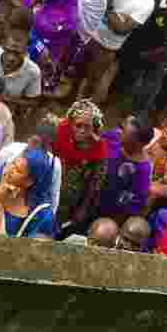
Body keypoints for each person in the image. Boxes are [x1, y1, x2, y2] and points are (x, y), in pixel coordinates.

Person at [81, 0, 156, 105]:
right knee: (77, 71)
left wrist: (108, 7)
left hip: (106, 47)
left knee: (92, 81)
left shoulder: (146, 3)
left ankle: (79, 109)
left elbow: (121, 29)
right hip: (89, 34)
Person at [0, 146, 58, 238]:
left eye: (18, 170)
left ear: (29, 182)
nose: (10, 170)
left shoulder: (40, 214)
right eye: (13, 163)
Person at [0, 115, 62, 217]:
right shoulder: (11, 150)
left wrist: (47, 218)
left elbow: (54, 195)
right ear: (30, 137)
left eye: (44, 146)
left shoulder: (54, 165)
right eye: (36, 142)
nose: (38, 148)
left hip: (30, 212)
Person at [53, 100, 109, 235]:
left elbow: (95, 183)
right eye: (78, 126)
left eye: (87, 127)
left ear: (94, 127)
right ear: (71, 123)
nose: (82, 131)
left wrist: (83, 208)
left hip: (74, 199)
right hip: (52, 188)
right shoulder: (60, 132)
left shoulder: (99, 148)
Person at [23, 0, 79, 95]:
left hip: (40, 61)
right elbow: (26, 6)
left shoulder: (69, 17)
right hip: (21, 48)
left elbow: (42, 27)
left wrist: (36, 5)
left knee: (30, 91)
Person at [98, 115, 154, 223]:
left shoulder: (142, 170)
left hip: (107, 212)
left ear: (141, 143)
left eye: (125, 134)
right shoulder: (114, 136)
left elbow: (134, 204)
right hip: (89, 195)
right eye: (122, 130)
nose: (120, 134)